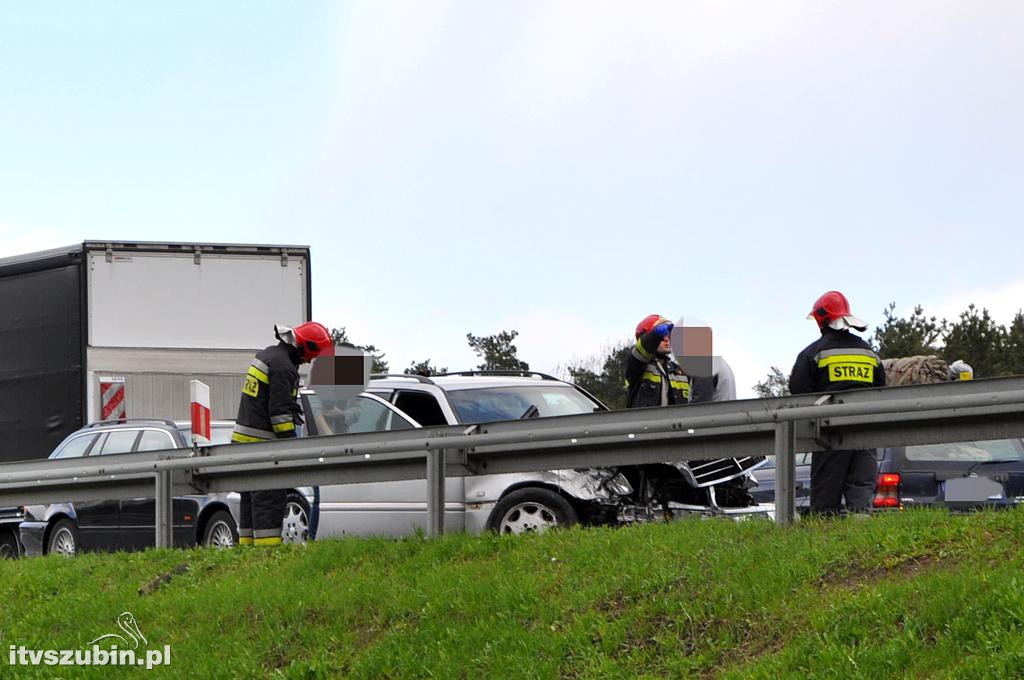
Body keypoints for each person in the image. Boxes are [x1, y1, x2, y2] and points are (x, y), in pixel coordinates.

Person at [232, 321, 332, 545]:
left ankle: (245, 552)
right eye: (313, 355)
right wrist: (292, 447)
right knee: (269, 501)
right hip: (263, 447)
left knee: (250, 502)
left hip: (242, 445)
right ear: (306, 347)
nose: (310, 361)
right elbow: (280, 416)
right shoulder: (284, 367)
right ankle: (267, 555)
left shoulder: (269, 355)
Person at [789, 291, 886, 515]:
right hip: (865, 431)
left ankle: (825, 541)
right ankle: (860, 541)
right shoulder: (869, 352)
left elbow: (798, 391)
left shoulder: (812, 353)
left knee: (825, 498)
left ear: (822, 318)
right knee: (861, 496)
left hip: (829, 434)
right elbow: (882, 389)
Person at [625, 314, 690, 408]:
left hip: (675, 422)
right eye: (662, 336)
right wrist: (655, 335)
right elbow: (640, 350)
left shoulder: (680, 372)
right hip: (644, 422)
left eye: (669, 335)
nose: (667, 339)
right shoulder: (636, 365)